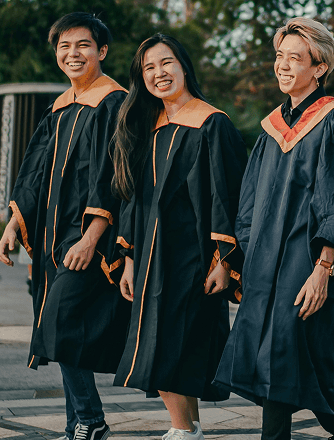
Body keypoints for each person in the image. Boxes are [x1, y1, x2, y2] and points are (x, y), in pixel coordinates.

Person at [214, 17, 334, 440]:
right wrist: (245, 259)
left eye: (294, 58)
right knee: (287, 375)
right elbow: (250, 201)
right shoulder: (272, 128)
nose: (282, 66)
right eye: (279, 57)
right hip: (266, 268)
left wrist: (324, 268)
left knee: (291, 367)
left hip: (306, 266)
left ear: (319, 67)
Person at [0, 12, 129, 440]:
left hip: (88, 240)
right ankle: (77, 425)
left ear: (102, 51)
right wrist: (15, 224)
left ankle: (90, 419)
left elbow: (114, 178)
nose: (72, 54)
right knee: (60, 328)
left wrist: (92, 237)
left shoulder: (114, 103)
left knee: (61, 322)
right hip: (54, 242)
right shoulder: (59, 107)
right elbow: (34, 172)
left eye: (83, 46)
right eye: (64, 47)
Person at [111, 34, 247, 440]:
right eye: (149, 68)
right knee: (164, 340)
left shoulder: (211, 122)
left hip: (192, 256)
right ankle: (188, 428)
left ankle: (182, 429)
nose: (158, 74)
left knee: (178, 341)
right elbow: (134, 199)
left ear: (184, 65)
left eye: (166, 63)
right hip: (152, 256)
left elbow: (228, 195)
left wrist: (223, 261)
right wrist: (130, 258)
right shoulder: (147, 127)